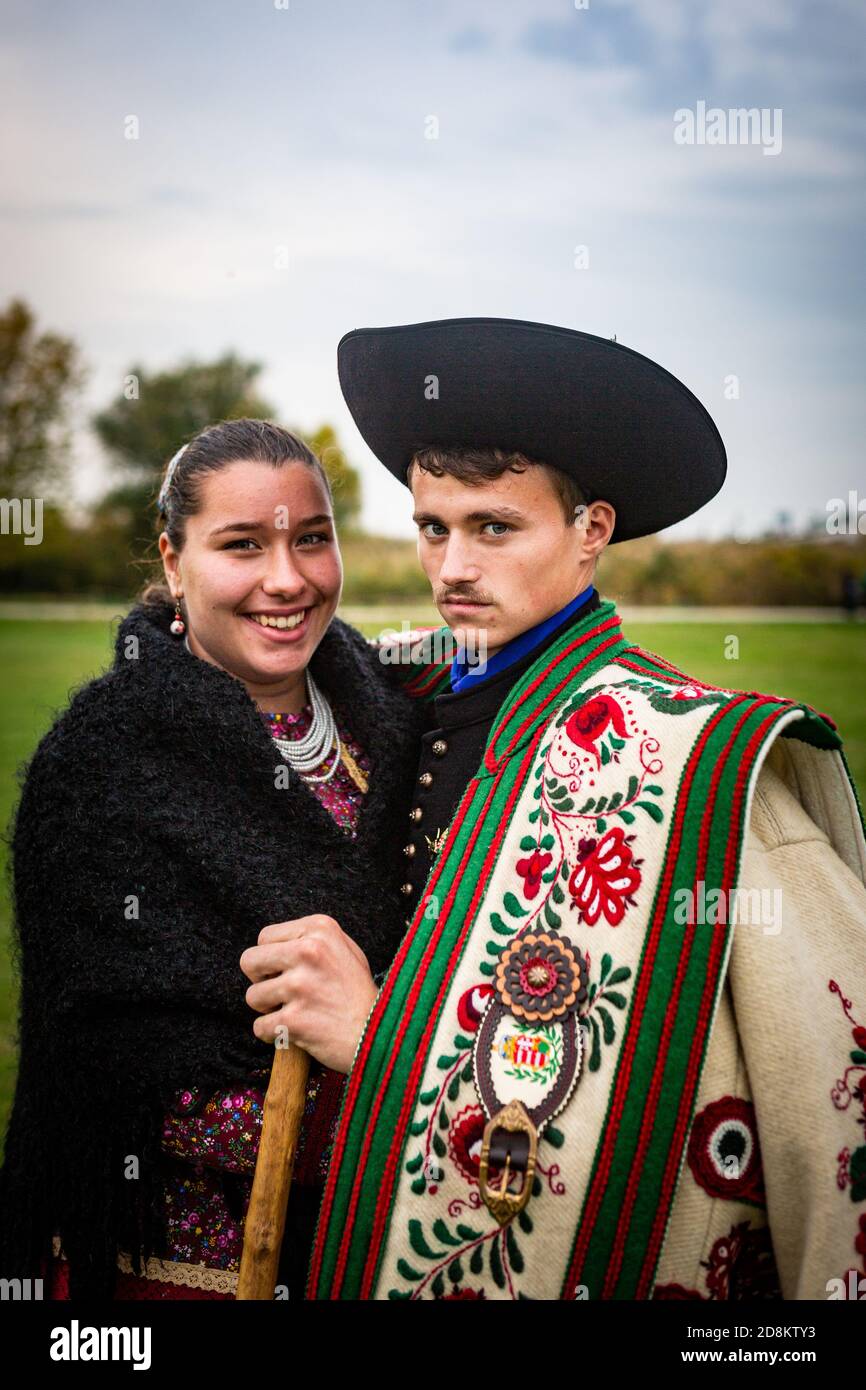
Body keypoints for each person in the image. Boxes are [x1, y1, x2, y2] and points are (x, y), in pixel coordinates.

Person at [295, 316, 866, 1300]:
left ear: (590, 530)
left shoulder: (704, 760)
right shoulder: (381, 703)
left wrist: (378, 1041)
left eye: (494, 528)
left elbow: (834, 1115)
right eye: (433, 527)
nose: (451, 569)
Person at [0, 417, 425, 1300]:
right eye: (242, 545)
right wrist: (409, 1092)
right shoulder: (103, 764)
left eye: (313, 539)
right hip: (183, 1267)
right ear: (172, 561)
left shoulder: (395, 714)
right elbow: (127, 1078)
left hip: (381, 1255)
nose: (288, 579)